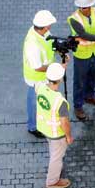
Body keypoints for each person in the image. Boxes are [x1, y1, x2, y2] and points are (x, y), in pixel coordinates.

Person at [23, 10, 61, 138]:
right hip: (36, 79)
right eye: (50, 24)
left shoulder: (41, 32)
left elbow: (49, 43)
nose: (51, 26)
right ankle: (33, 127)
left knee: (38, 101)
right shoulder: (32, 45)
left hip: (43, 77)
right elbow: (38, 67)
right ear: (45, 26)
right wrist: (55, 67)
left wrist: (59, 49)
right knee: (34, 103)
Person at [36, 63, 74, 188]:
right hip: (56, 133)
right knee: (56, 157)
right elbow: (64, 122)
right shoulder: (60, 101)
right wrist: (68, 136)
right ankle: (52, 181)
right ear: (61, 79)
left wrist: (61, 67)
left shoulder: (40, 87)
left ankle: (55, 174)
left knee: (54, 151)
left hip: (44, 128)